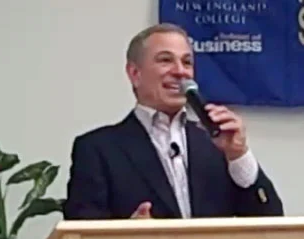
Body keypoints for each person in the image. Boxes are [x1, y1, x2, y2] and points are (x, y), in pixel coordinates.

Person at [63, 23, 284, 220]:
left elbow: (269, 220)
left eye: (187, 63)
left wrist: (239, 155)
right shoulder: (97, 150)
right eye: (165, 60)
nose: (180, 71)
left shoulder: (216, 144)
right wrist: (127, 233)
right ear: (134, 73)